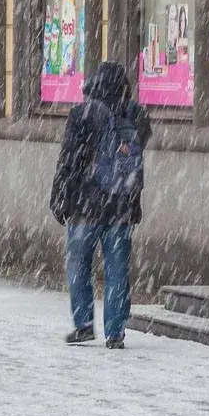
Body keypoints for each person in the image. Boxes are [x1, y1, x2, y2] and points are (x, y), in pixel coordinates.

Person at [50, 62, 152, 349]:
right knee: (117, 270)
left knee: (78, 264)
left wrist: (59, 195)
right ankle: (115, 332)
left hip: (85, 205)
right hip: (121, 206)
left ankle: (83, 324)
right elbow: (134, 163)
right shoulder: (136, 115)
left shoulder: (82, 114)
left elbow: (68, 159)